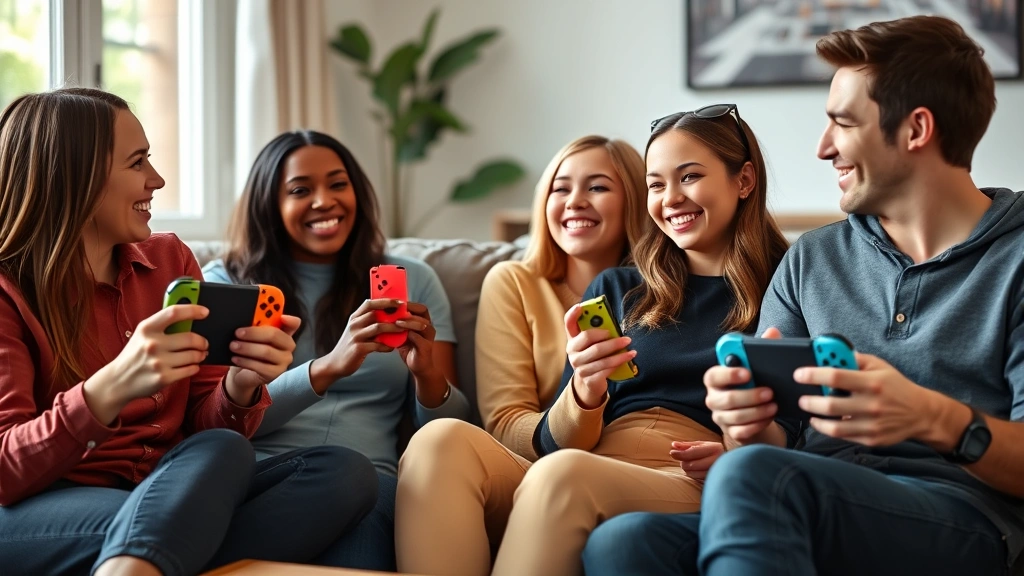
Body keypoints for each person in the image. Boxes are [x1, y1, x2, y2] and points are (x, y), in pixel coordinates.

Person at [584, 16, 1024, 576]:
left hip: (960, 513)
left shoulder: (1016, 258)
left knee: (758, 477)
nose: (822, 149)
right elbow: (770, 439)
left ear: (916, 129)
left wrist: (931, 416)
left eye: (842, 123)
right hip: (804, 495)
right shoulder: (812, 259)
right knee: (623, 543)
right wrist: (745, 422)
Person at [0, 88, 377, 576]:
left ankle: (148, 556)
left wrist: (240, 385)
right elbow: (7, 472)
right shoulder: (9, 290)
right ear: (78, 177)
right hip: (41, 507)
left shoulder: (168, 261)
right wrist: (112, 386)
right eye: (138, 164)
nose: (156, 180)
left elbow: (207, 426)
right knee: (170, 513)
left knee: (339, 473)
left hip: (166, 490)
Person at [398, 111, 787, 576]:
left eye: (690, 177)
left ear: (744, 180)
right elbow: (563, 441)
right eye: (657, 185)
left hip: (689, 473)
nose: (671, 198)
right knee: (438, 440)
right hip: (591, 460)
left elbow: (798, 422)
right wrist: (585, 389)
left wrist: (735, 454)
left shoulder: (788, 282)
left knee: (564, 476)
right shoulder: (620, 286)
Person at [203, 130, 468, 570]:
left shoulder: (414, 279)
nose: (324, 201)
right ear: (270, 203)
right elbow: (216, 418)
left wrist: (428, 377)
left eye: (337, 184)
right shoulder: (230, 285)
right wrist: (325, 368)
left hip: (371, 483)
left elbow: (455, 435)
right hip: (259, 476)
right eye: (300, 190)